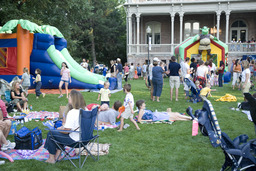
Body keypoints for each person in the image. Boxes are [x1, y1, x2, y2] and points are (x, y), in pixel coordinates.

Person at [44, 90, 86, 164]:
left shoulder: (72, 112)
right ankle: (58, 155)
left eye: (69, 96)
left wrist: (58, 129)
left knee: (51, 134)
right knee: (58, 134)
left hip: (75, 140)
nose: (68, 98)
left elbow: (67, 131)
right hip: (85, 139)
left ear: (74, 99)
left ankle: (51, 159)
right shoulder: (85, 110)